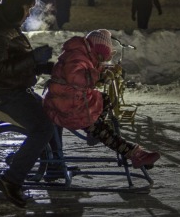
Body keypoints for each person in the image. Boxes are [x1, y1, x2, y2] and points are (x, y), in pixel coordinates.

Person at [0, 0, 56, 208]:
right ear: (14, 7)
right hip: (6, 94)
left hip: (17, 89)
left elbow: (17, 61)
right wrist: (32, 59)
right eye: (26, 9)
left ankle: (55, 167)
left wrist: (44, 66)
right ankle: (11, 179)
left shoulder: (7, 24)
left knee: (55, 110)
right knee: (43, 127)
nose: (28, 14)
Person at [43, 29, 161, 168]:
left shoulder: (84, 54)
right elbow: (75, 76)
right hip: (66, 105)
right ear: (96, 50)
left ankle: (94, 131)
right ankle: (135, 154)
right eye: (100, 57)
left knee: (104, 98)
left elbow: (90, 69)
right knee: (103, 130)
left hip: (71, 99)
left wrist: (105, 71)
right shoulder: (76, 56)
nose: (99, 61)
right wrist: (98, 76)